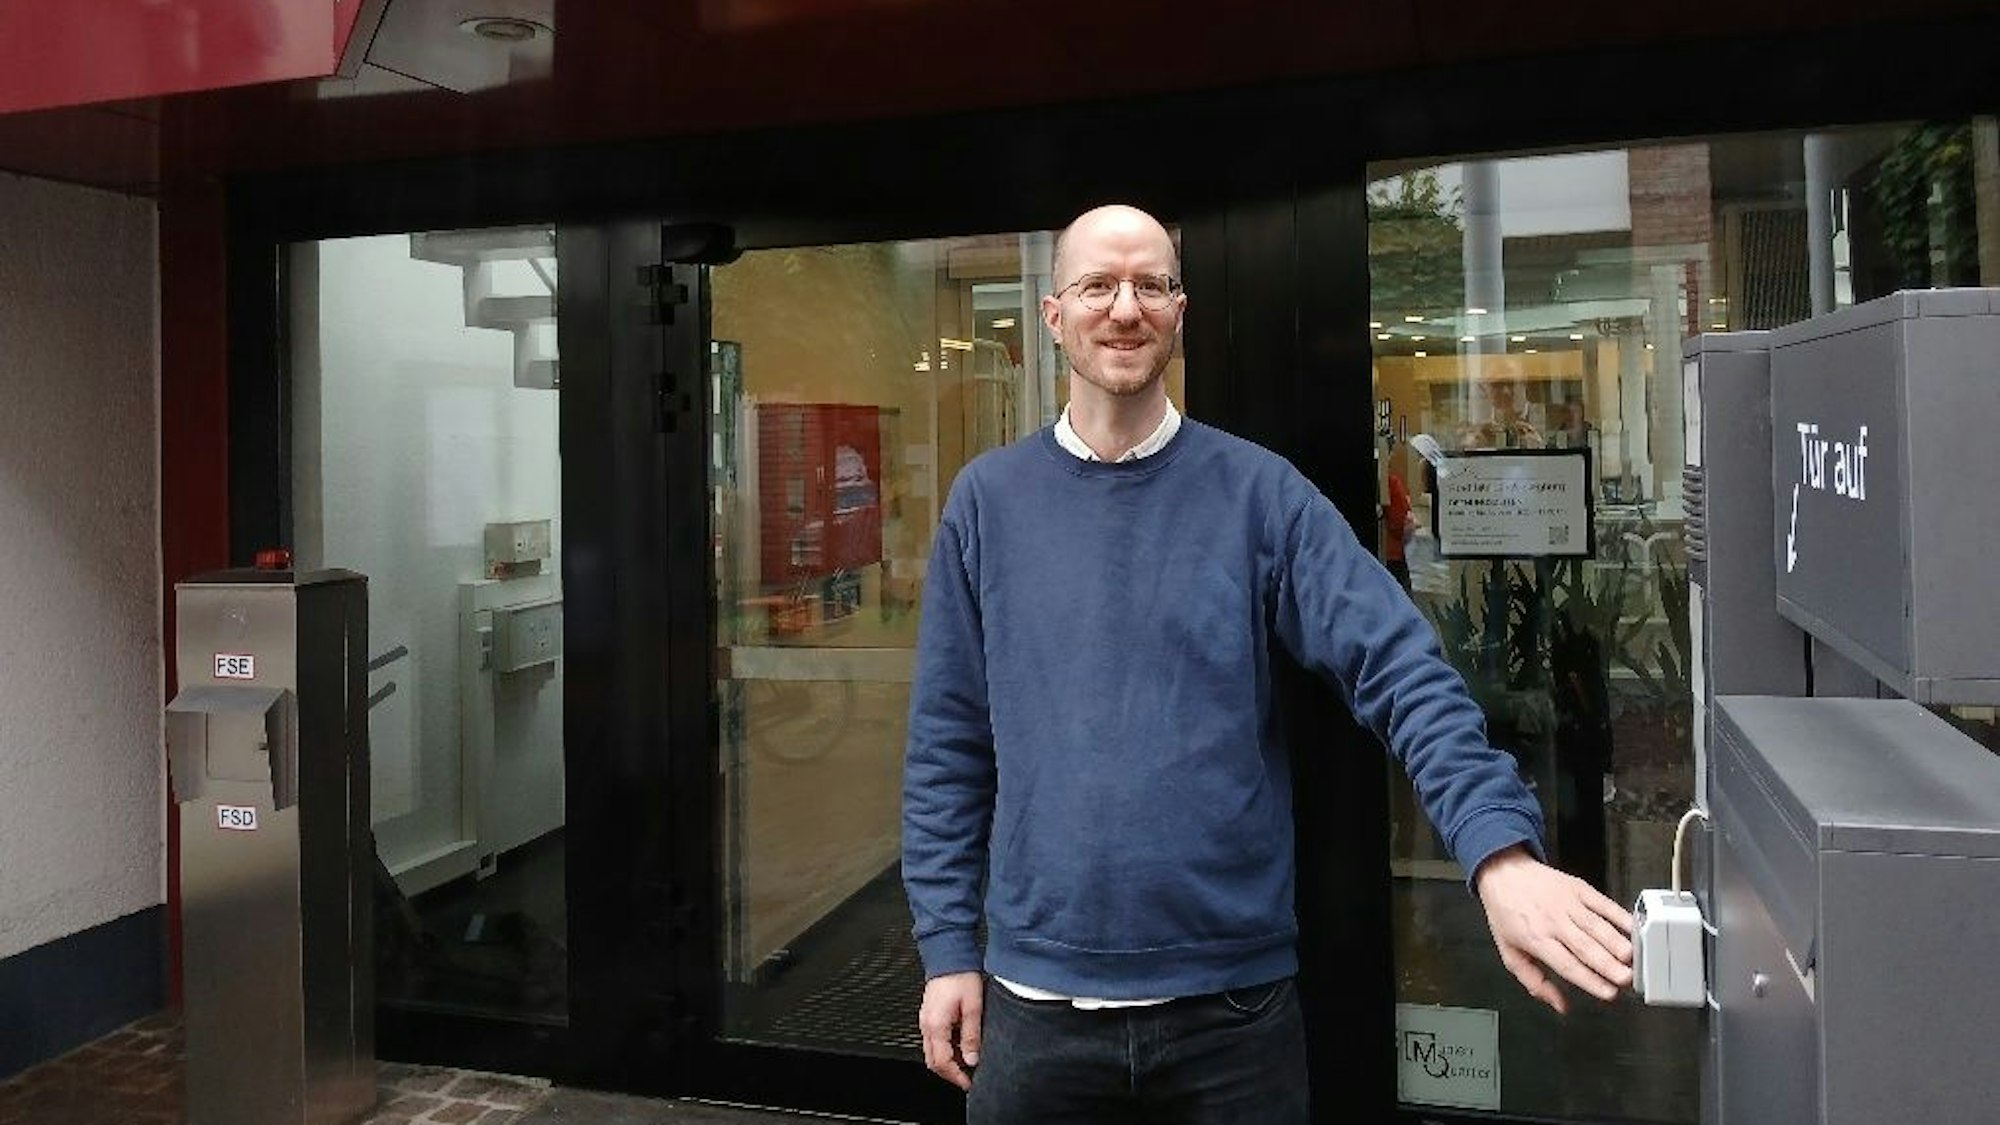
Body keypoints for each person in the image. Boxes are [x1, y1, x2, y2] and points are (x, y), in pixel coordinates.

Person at [901, 204, 1633, 1124]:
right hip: (1036, 1012)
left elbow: (1400, 667)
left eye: (1151, 285)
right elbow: (947, 749)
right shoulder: (987, 505)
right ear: (1055, 315)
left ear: (1180, 310)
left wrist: (1498, 851)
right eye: (1097, 285)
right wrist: (945, 949)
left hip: (1231, 1016)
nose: (1124, 308)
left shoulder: (1261, 496)